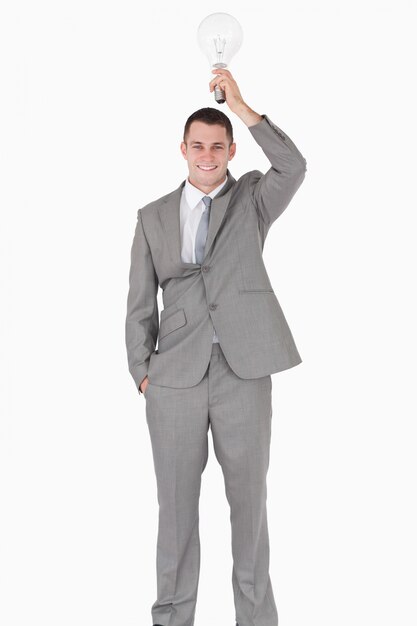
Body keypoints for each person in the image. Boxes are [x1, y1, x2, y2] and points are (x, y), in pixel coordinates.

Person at [125, 68, 307, 626]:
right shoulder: (152, 216)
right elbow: (138, 303)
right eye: (198, 146)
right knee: (175, 517)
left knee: (248, 513)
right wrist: (142, 374)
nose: (207, 155)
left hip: (244, 372)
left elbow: (293, 165)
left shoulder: (253, 199)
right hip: (172, 382)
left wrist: (244, 107)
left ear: (231, 151)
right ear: (182, 149)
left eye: (218, 146)